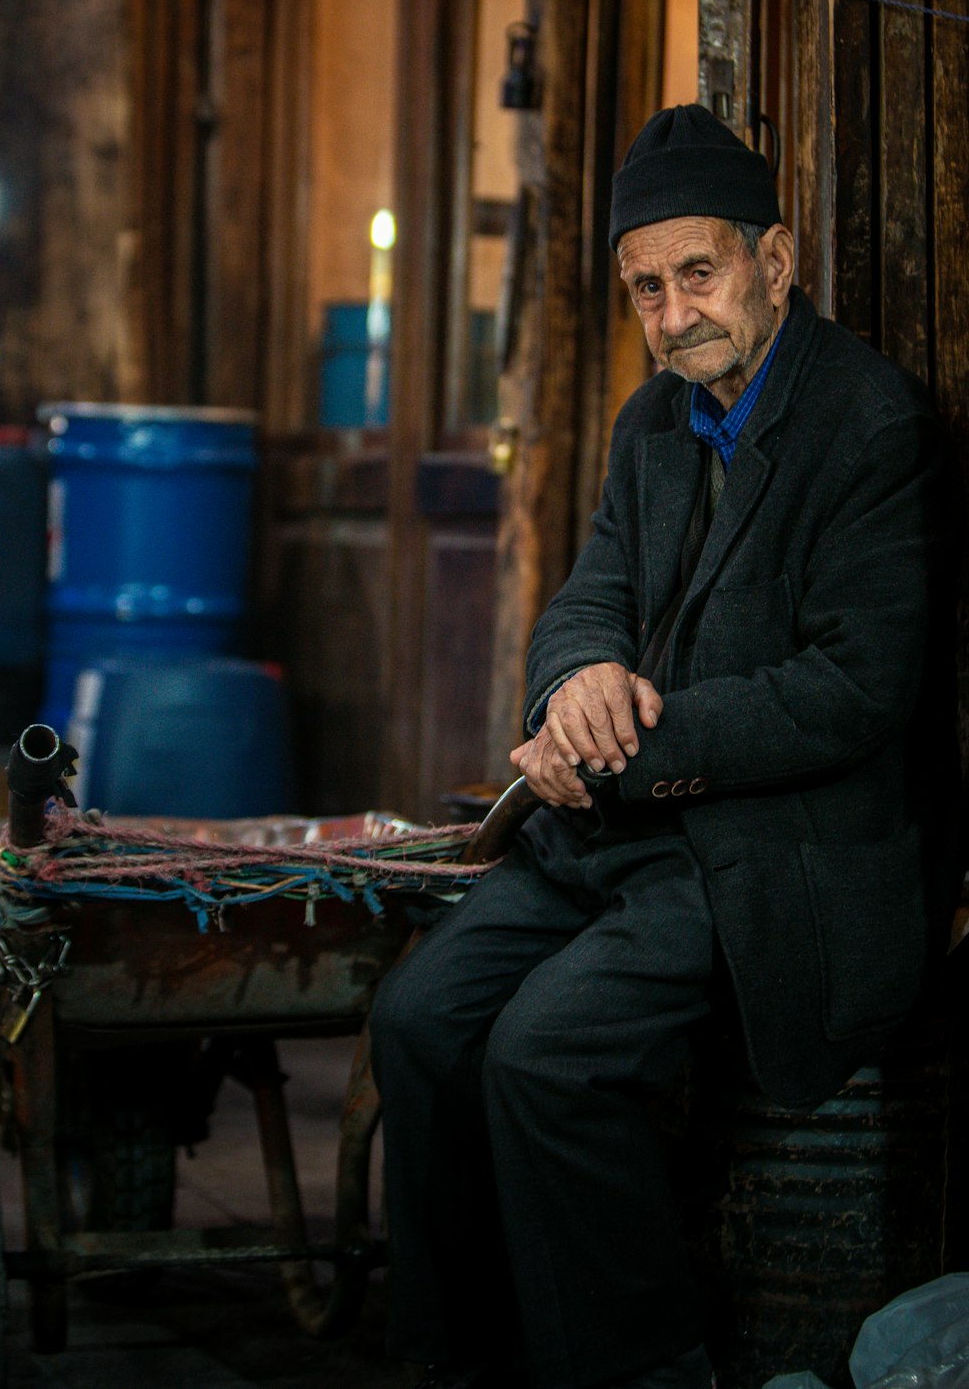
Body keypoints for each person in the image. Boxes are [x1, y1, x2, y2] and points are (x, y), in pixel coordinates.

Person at [369, 105, 959, 1389]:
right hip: (623, 830)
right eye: (648, 287)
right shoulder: (652, 425)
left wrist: (628, 736)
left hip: (772, 851)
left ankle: (643, 1369)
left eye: (700, 272)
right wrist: (576, 673)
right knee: (418, 1016)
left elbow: (854, 687)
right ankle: (453, 1357)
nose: (675, 311)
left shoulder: (867, 422)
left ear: (775, 263)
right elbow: (587, 595)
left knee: (544, 1054)